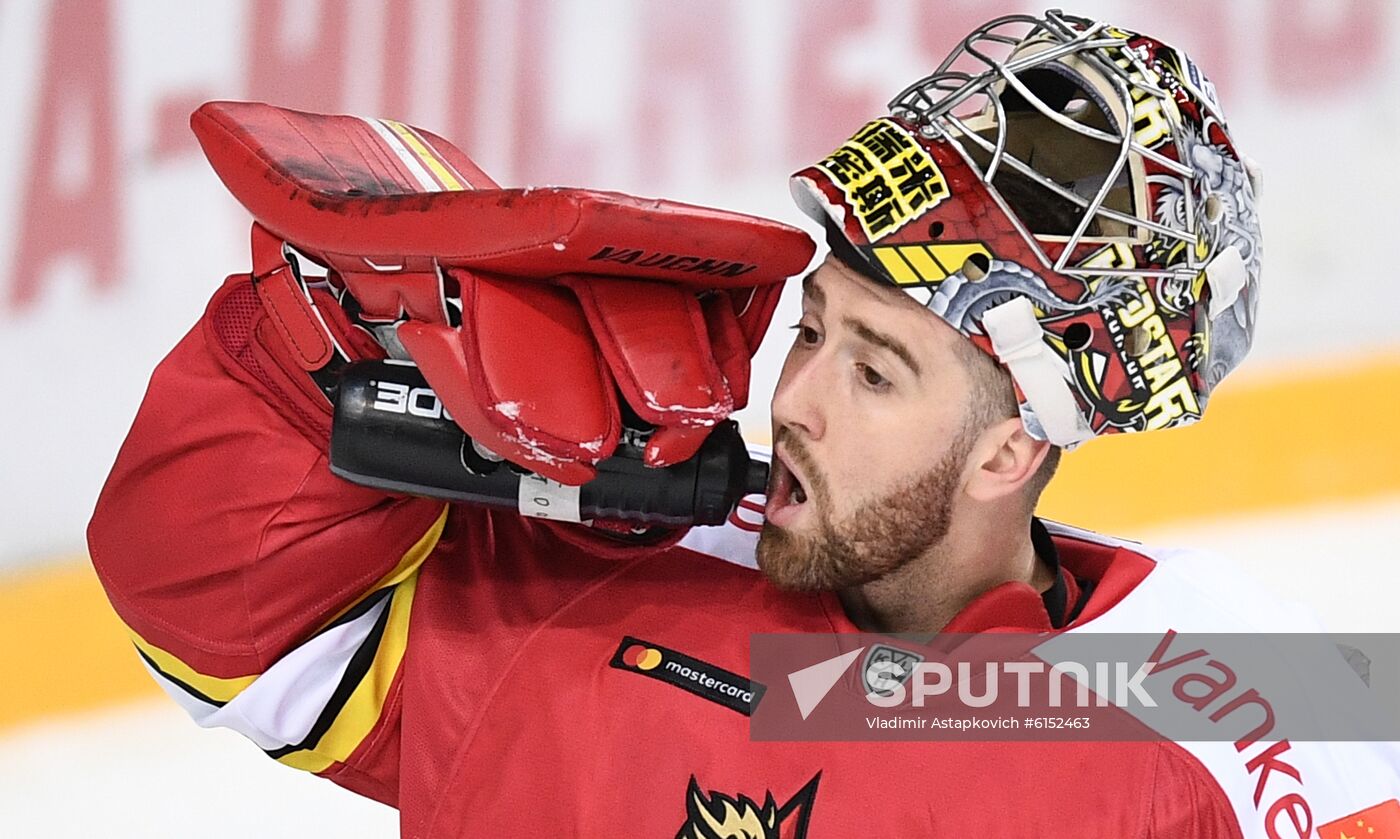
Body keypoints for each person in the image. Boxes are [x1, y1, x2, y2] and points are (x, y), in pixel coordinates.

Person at [88, 10, 1399, 837]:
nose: (800, 400)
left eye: (878, 374)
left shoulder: (1238, 710)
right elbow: (215, 620)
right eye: (814, 329)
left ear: (1014, 447)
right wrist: (308, 358)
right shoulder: (607, 569)